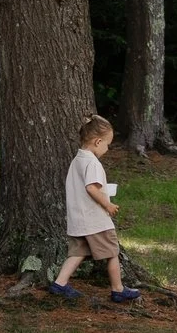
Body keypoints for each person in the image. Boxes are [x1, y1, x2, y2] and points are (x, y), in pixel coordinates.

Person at [46, 113, 141, 303]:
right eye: (107, 144)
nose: (107, 148)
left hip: (77, 219)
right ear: (98, 142)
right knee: (112, 252)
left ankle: (60, 283)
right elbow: (91, 188)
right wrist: (108, 204)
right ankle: (118, 289)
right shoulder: (92, 163)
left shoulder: (77, 160)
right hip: (95, 220)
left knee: (78, 252)